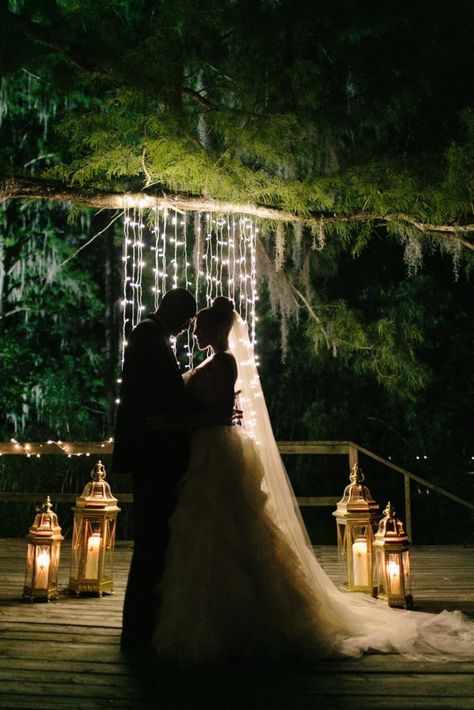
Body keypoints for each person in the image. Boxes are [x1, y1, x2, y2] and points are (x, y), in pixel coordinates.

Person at [151, 296, 474, 664]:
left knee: (228, 526)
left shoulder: (224, 362)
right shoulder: (212, 360)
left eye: (199, 327)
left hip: (218, 451)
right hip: (203, 452)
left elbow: (223, 412)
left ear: (216, 329)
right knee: (208, 529)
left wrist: (175, 424)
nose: (193, 332)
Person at [111, 287, 196, 649]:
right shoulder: (149, 335)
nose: (187, 326)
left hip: (152, 454)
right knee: (150, 541)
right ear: (175, 312)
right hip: (152, 455)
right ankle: (137, 630)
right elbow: (161, 396)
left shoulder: (153, 334)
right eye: (187, 319)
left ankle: (142, 626)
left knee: (153, 540)